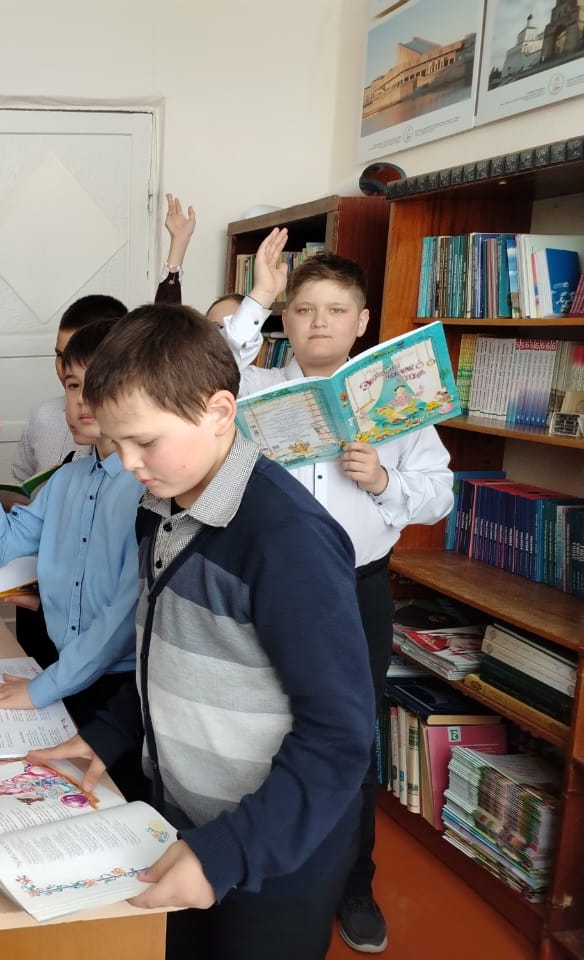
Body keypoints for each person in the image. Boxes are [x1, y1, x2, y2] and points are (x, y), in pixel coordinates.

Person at [28, 304, 374, 960]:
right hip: (184, 825)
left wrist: (231, 851)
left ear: (219, 411)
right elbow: (159, 652)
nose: (128, 463)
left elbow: (339, 737)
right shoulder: (159, 505)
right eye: (117, 443)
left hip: (273, 852)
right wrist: (106, 737)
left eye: (145, 442)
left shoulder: (287, 539)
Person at [220, 238, 453, 954]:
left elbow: (440, 495)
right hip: (264, 587)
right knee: (257, 727)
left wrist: (384, 481)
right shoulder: (253, 389)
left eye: (336, 310)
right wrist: (258, 298)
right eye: (303, 310)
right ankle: (251, 862)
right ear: (285, 321)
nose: (318, 322)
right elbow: (199, 370)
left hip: (356, 591)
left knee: (347, 740)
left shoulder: (399, 404)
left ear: (362, 321)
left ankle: (354, 884)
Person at [0, 318, 146, 798]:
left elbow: (121, 620)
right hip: (63, 673)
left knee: (114, 804)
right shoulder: (66, 480)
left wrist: (39, 689)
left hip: (121, 692)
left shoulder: (147, 487)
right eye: (72, 385)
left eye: (96, 384)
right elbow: (2, 549)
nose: (81, 401)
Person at [11, 193, 195, 482]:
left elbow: (163, 341)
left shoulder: (146, 465)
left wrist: (176, 252)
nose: (65, 366)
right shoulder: (45, 418)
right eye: (60, 356)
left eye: (89, 363)